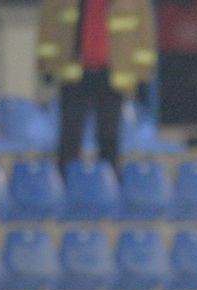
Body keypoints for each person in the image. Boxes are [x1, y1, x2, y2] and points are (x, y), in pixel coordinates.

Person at [37, 0, 157, 171]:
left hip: (112, 74)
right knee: (70, 136)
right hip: (75, 73)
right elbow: (48, 24)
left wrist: (142, 73)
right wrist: (47, 65)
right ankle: (66, 184)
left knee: (109, 136)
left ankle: (109, 185)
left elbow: (144, 32)